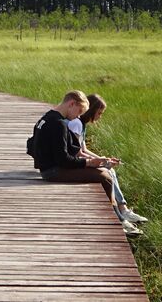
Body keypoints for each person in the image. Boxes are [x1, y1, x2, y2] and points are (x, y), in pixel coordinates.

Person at [30, 90, 143, 236]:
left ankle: (119, 218)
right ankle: (118, 221)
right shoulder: (59, 124)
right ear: (72, 104)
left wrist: (93, 161)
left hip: (47, 167)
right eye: (79, 111)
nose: (78, 116)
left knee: (104, 173)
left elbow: (65, 153)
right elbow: (63, 160)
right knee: (105, 176)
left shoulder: (45, 118)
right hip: (52, 171)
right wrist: (89, 163)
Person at [67, 94, 148, 230]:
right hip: (74, 162)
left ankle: (123, 210)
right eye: (99, 113)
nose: (100, 116)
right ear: (91, 110)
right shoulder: (76, 124)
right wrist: (100, 161)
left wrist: (104, 159)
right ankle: (120, 213)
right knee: (108, 172)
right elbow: (77, 152)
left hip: (79, 158)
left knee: (110, 169)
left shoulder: (82, 124)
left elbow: (84, 148)